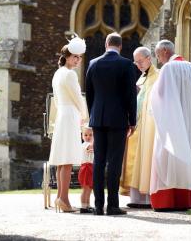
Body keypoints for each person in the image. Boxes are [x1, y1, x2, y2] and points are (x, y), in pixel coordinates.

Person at [85, 32, 137, 216]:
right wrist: (132, 121)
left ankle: (98, 206)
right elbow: (131, 95)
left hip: (98, 119)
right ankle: (113, 205)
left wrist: (93, 116)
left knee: (98, 162)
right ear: (120, 46)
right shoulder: (126, 65)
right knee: (114, 162)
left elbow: (89, 94)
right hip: (118, 119)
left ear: (106, 44)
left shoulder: (93, 63)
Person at [149, 60, 191, 211]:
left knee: (165, 155)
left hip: (170, 119)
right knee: (186, 151)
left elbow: (159, 93)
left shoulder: (168, 68)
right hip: (188, 119)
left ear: (163, 53)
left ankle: (165, 201)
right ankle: (185, 199)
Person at [49, 36, 88, 213]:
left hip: (62, 115)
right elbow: (78, 98)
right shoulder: (70, 74)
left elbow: (56, 101)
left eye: (79, 57)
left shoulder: (57, 73)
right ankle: (63, 199)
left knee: (61, 160)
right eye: (75, 57)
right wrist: (86, 117)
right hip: (70, 115)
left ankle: (60, 197)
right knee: (66, 160)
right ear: (67, 56)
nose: (77, 60)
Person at [120, 47, 159, 209]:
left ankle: (147, 198)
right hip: (137, 125)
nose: (137, 65)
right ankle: (136, 197)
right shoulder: (142, 77)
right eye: (135, 62)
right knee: (134, 160)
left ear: (149, 58)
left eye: (140, 61)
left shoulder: (158, 77)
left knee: (146, 159)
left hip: (149, 126)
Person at [78, 124, 95, 213]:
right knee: (86, 188)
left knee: (89, 188)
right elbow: (92, 147)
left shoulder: (90, 144)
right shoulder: (85, 144)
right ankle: (83, 206)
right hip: (86, 168)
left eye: (90, 135)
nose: (88, 137)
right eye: (85, 135)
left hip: (90, 167)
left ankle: (87, 204)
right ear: (82, 136)